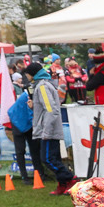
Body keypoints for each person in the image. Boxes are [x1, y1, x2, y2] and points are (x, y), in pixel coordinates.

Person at [29, 62, 76, 194]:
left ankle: (71, 179)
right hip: (47, 129)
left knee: (48, 159)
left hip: (48, 130)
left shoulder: (42, 87)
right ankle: (63, 184)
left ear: (32, 74)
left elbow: (51, 110)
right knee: (53, 158)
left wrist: (46, 131)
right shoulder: (42, 85)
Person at [7, 86, 41, 186]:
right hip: (18, 124)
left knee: (34, 149)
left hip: (27, 124)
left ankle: (39, 174)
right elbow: (32, 115)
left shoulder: (31, 95)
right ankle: (24, 176)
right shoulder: (26, 98)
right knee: (20, 151)